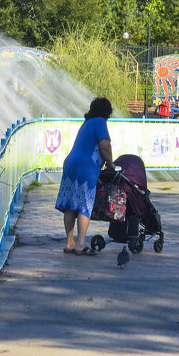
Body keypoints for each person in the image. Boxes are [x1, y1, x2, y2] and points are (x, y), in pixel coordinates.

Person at [55, 97, 113, 255]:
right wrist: (111, 164)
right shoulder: (100, 122)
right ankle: (81, 244)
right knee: (84, 206)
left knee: (70, 205)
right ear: (107, 112)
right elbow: (105, 146)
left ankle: (70, 243)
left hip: (70, 165)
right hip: (85, 167)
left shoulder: (86, 123)